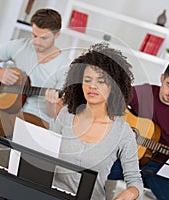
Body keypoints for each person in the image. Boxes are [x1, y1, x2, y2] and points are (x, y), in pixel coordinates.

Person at [0, 8, 70, 158]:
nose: (36, 42)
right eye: (34, 35)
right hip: (9, 109)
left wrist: (51, 102)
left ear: (57, 35)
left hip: (38, 118)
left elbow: (55, 114)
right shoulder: (20, 45)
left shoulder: (65, 66)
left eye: (43, 38)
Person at [50, 43, 143, 200]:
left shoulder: (122, 132)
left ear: (114, 86)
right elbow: (46, 154)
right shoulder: (66, 114)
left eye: (101, 81)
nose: (92, 86)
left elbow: (135, 180)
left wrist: (130, 193)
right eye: (87, 80)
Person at [108, 60, 169, 200]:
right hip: (127, 157)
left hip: (158, 168)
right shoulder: (145, 92)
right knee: (92, 169)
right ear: (162, 78)